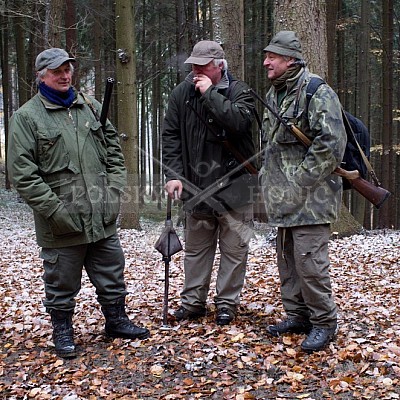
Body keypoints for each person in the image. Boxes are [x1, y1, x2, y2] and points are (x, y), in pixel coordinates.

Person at [7, 48, 150, 359]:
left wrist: (114, 192)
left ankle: (116, 321)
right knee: (61, 280)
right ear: (41, 75)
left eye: (68, 69)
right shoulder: (27, 117)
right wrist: (55, 211)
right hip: (62, 219)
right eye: (57, 70)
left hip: (101, 213)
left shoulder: (90, 106)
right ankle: (62, 330)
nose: (65, 75)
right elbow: (23, 174)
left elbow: (114, 152)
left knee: (112, 271)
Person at [259, 31, 347, 353]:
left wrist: (299, 180)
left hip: (311, 200)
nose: (266, 62)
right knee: (288, 262)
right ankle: (298, 316)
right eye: (267, 56)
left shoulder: (316, 91)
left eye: (273, 57)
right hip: (282, 201)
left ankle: (324, 323)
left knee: (310, 264)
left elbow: (331, 144)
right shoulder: (276, 94)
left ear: (290, 60)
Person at [162, 40, 257, 325]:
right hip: (196, 186)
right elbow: (171, 137)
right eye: (193, 65)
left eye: (202, 66)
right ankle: (192, 303)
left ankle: (227, 304)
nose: (195, 71)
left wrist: (211, 95)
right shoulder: (180, 94)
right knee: (196, 250)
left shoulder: (241, 92)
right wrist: (173, 175)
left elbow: (240, 123)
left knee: (234, 250)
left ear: (219, 66)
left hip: (237, 187)